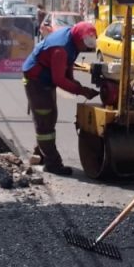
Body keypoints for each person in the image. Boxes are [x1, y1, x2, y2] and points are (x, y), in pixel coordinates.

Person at [22, 21, 100, 175]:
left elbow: (68, 63)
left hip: (45, 78)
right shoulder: (60, 49)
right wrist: (81, 90)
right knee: (45, 121)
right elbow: (58, 79)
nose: (86, 49)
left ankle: (40, 153)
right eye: (85, 46)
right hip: (37, 80)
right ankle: (53, 164)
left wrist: (71, 78)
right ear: (79, 40)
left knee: (49, 118)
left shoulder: (72, 38)